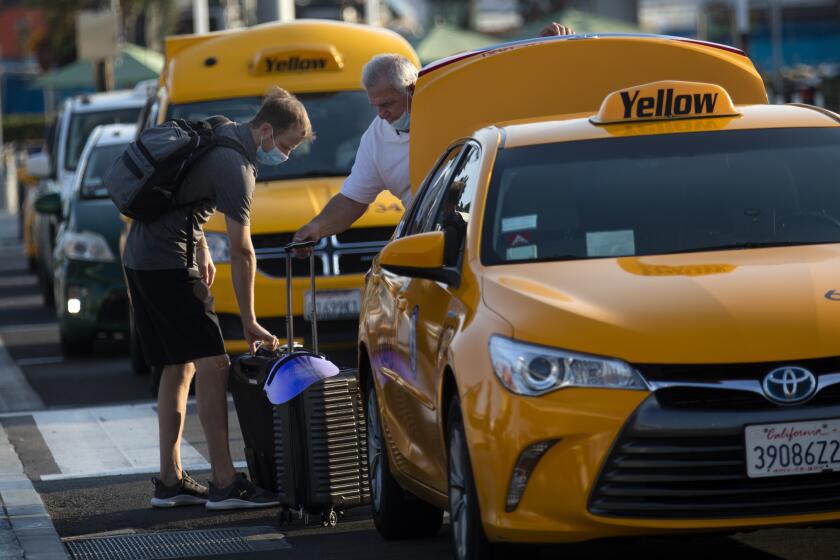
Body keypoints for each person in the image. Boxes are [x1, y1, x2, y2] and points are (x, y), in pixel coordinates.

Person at [123, 87, 314, 510]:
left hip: (141, 258)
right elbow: (244, 250)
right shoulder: (237, 167)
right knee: (215, 365)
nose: (285, 155)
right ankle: (226, 484)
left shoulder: (223, 130)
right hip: (167, 264)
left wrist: (202, 246)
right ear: (266, 130)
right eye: (286, 145)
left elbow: (188, 196)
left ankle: (171, 481)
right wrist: (249, 319)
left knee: (179, 365)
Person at [292, 25, 574, 248]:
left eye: (387, 104)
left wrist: (543, 50)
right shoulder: (376, 139)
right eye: (374, 106)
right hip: (431, 241)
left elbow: (512, 89)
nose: (381, 114)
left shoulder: (460, 106)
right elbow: (353, 200)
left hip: (495, 232)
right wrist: (317, 228)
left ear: (413, 89)